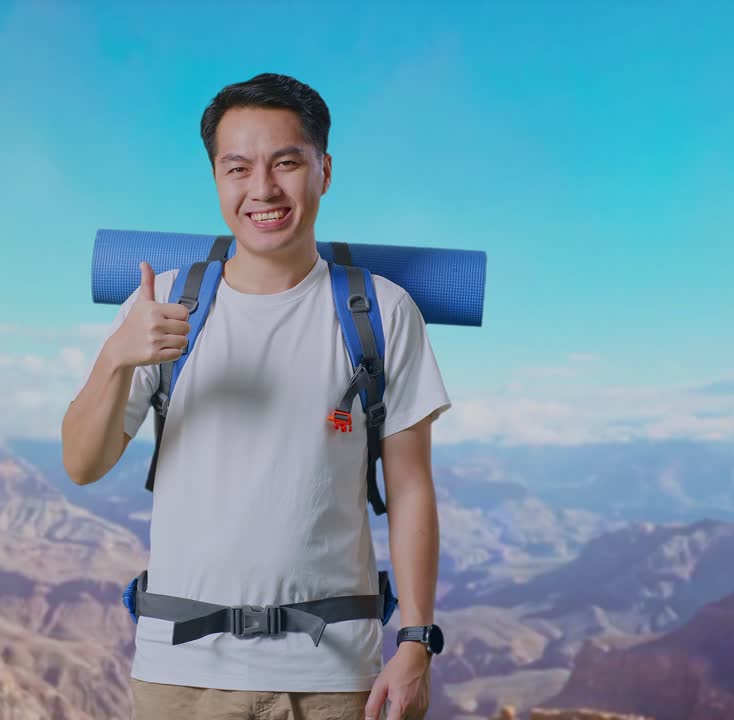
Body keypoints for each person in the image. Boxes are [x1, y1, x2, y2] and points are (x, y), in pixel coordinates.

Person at [62, 72, 451, 720]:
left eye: (286, 163)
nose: (263, 189)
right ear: (216, 178)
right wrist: (115, 358)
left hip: (331, 678)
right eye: (237, 168)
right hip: (180, 676)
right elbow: (81, 464)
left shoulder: (381, 312)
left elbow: (411, 486)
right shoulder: (163, 305)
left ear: (323, 170)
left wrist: (416, 641)